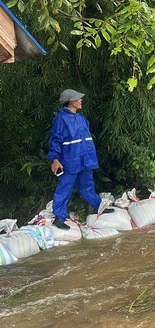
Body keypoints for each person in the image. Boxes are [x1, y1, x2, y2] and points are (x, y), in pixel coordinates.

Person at [48, 89, 112, 230]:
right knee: (65, 188)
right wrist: (55, 159)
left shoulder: (81, 118)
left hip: (85, 159)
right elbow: (55, 140)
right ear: (71, 101)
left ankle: (98, 207)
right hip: (70, 160)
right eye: (78, 98)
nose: (81, 100)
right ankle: (59, 218)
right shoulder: (61, 119)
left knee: (87, 186)